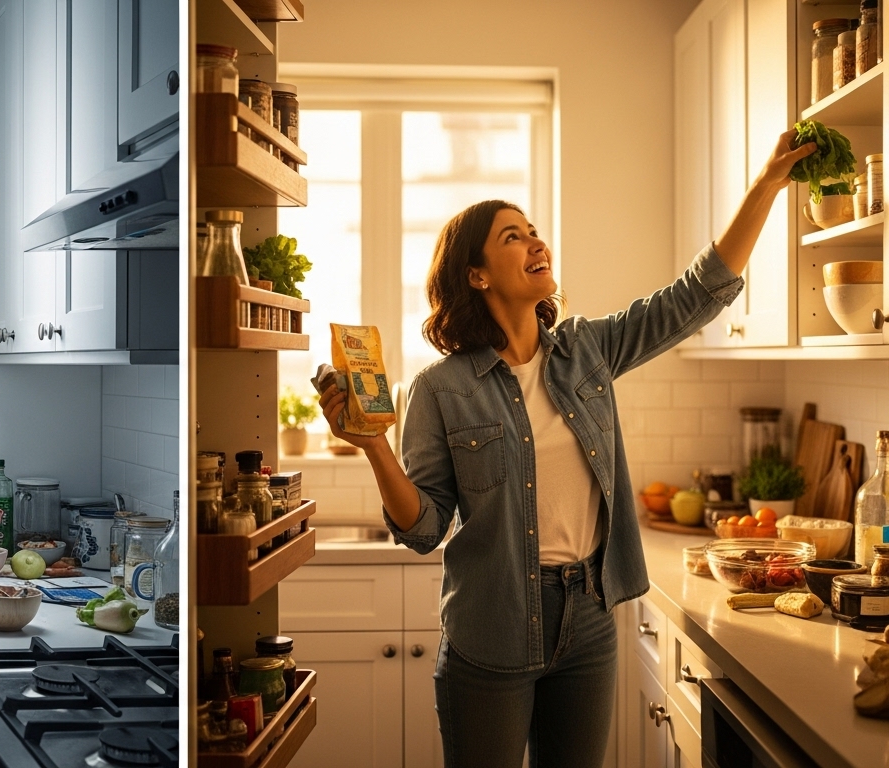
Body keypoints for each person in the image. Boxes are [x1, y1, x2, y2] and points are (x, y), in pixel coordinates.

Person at [320, 131, 816, 767]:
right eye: (513, 237)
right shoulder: (438, 388)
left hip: (588, 619)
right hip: (490, 630)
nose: (536, 241)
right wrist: (373, 447)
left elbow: (694, 296)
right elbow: (424, 529)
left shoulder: (587, 351)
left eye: (534, 230)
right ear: (476, 275)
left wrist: (767, 186)